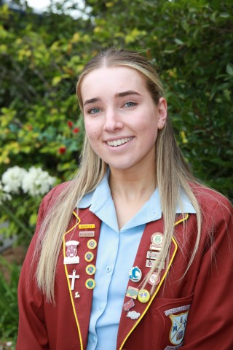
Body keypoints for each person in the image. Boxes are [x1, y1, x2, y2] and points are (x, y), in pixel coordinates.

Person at [16, 48, 233, 350]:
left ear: (160, 112)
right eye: (94, 110)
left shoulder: (208, 218)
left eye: (128, 103)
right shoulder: (58, 207)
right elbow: (32, 327)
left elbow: (212, 340)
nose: (111, 123)